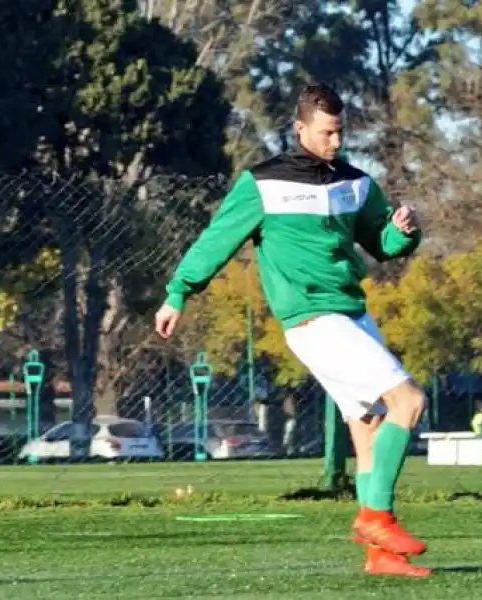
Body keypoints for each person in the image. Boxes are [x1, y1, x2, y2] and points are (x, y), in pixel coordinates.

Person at [154, 83, 431, 578]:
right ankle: (376, 519)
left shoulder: (358, 183)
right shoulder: (263, 183)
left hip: (352, 315)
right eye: (326, 132)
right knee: (408, 401)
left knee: (366, 429)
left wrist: (405, 232)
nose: (336, 141)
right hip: (311, 320)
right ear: (300, 128)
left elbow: (383, 243)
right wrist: (179, 292)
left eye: (341, 131)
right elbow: (214, 241)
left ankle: (380, 557)